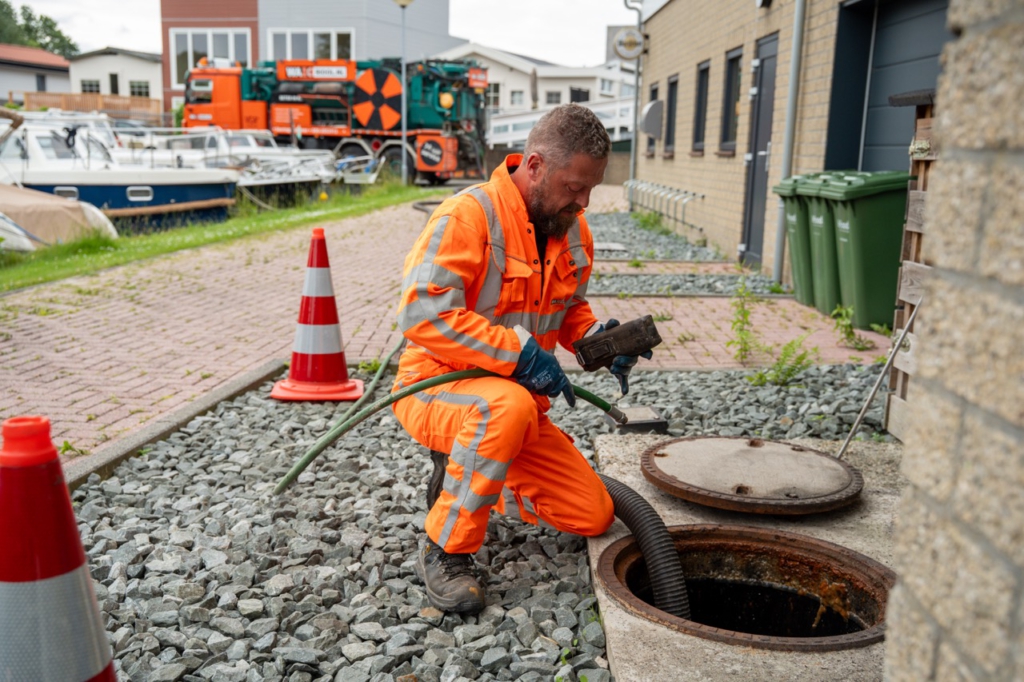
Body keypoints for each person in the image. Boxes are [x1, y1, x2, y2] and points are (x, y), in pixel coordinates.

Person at [391, 103, 650, 614]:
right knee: (503, 408)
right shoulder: (468, 216)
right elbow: (422, 314)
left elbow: (568, 305)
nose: (583, 201)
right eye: (574, 187)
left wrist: (596, 338)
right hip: (436, 386)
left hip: (517, 404)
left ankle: (477, 469)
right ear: (534, 166)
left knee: (593, 513)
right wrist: (520, 353)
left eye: (591, 188)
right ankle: (445, 549)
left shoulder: (572, 228)